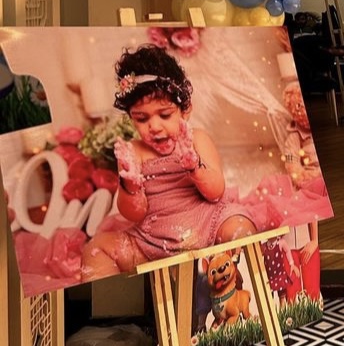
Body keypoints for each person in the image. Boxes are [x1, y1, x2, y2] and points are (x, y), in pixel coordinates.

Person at [81, 45, 256, 280]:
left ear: (185, 110)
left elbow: (216, 191)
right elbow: (133, 213)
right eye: (141, 118)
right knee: (96, 248)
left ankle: (239, 283)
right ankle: (124, 296)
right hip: (152, 243)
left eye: (164, 115)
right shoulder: (133, 152)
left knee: (240, 227)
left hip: (208, 225)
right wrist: (130, 185)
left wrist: (195, 167)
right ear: (131, 117)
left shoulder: (197, 139)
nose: (154, 126)